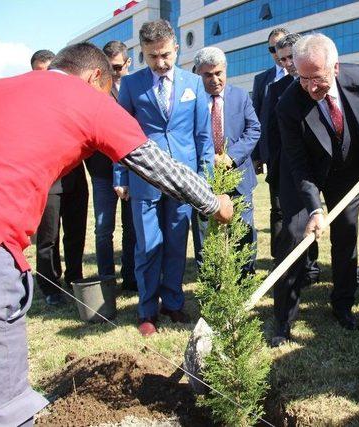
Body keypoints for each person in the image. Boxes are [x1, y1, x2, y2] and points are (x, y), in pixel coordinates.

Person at [0, 42, 233, 427]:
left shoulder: (2, 87)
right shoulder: (89, 100)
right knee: (6, 405)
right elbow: (156, 164)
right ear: (95, 78)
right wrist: (212, 202)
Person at [272, 34, 359, 346]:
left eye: (317, 78)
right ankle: (283, 321)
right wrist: (315, 209)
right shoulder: (289, 104)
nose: (310, 87)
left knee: (346, 235)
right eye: (303, 78)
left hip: (349, 170)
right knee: (292, 237)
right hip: (306, 176)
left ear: (336, 68)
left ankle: (343, 304)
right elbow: (299, 165)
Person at [113, 19, 213, 336]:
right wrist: (121, 176)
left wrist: (204, 177)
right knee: (148, 247)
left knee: (174, 245)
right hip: (144, 180)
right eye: (153, 56)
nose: (161, 62)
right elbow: (120, 135)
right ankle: (147, 311)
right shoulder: (131, 86)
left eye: (166, 55)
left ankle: (172, 302)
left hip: (183, 181)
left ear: (176, 49)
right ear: (142, 53)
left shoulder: (194, 84)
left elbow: (203, 136)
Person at [193, 46, 261, 272]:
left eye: (219, 73)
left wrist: (231, 156)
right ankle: (211, 279)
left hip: (239, 177)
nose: (215, 79)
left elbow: (254, 129)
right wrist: (207, 159)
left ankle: (244, 280)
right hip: (204, 179)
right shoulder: (192, 100)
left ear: (226, 70)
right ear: (198, 73)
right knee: (206, 233)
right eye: (207, 75)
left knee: (244, 230)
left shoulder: (241, 96)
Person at [31, 49, 89, 306]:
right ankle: (50, 286)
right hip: (48, 181)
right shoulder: (28, 104)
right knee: (48, 237)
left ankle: (75, 278)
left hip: (76, 178)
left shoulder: (72, 99)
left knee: (76, 233)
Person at [261, 33, 320, 282]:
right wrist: (271, 164)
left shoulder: (319, 83)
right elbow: (269, 129)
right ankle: (294, 266)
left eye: (290, 58)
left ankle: (311, 266)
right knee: (292, 218)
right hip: (288, 164)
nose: (286, 64)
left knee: (315, 214)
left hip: (319, 163)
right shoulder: (275, 90)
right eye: (282, 58)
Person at [84, 40, 137, 292]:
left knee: (132, 228)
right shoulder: (93, 90)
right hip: (102, 173)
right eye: (108, 66)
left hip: (131, 169)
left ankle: (130, 277)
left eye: (117, 67)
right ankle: (106, 280)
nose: (113, 72)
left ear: (127, 63)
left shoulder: (135, 88)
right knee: (103, 229)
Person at [252, 27, 289, 172]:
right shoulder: (261, 80)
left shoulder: (303, 73)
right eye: (272, 49)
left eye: (279, 46)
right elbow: (255, 119)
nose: (277, 53)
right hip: (273, 154)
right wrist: (256, 155)